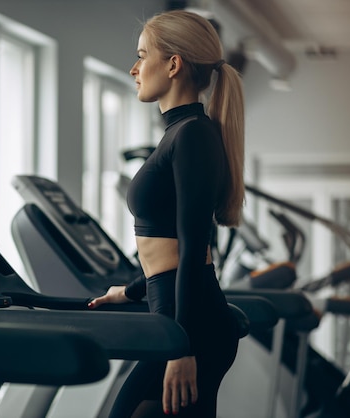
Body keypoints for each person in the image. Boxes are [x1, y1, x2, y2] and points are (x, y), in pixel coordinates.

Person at [87, 9, 245, 418]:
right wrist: (131, 290)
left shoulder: (192, 134)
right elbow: (172, 254)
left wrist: (182, 347)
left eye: (143, 55)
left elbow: (194, 248)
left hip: (188, 330)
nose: (134, 68)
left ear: (173, 64)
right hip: (177, 321)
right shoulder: (181, 133)